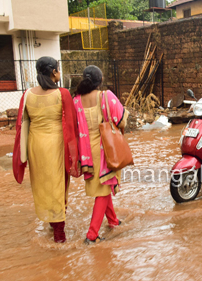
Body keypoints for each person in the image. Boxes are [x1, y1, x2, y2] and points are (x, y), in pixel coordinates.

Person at [13, 56, 79, 243]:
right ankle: (59, 234)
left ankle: (51, 223)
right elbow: (72, 124)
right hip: (56, 144)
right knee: (58, 184)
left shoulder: (27, 95)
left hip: (35, 145)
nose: (59, 73)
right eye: (58, 69)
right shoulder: (62, 93)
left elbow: (22, 124)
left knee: (42, 184)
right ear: (53, 72)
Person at [73, 66, 128, 244]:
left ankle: (113, 221)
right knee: (103, 192)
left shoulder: (76, 101)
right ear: (100, 80)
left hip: (86, 152)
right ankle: (92, 235)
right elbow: (121, 120)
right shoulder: (106, 96)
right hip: (104, 151)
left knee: (102, 187)